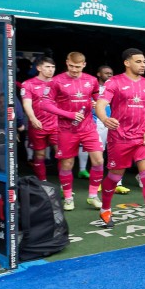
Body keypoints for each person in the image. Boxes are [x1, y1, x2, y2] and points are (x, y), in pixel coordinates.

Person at [94, 49, 145, 233]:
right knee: (114, 177)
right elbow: (100, 104)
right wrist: (104, 119)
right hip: (119, 138)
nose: (143, 65)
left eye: (144, 62)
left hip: (143, 138)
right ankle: (105, 208)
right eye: (138, 61)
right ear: (127, 63)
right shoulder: (114, 82)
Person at [44, 52, 104, 211]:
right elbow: (45, 104)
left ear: (84, 65)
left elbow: (98, 96)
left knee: (98, 160)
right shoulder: (56, 81)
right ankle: (69, 198)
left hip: (88, 127)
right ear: (66, 62)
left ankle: (92, 196)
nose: (74, 70)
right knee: (67, 164)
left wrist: (100, 104)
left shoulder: (91, 80)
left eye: (77, 67)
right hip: (66, 129)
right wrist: (68, 114)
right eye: (71, 66)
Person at [20, 57, 59, 181]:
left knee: (62, 154)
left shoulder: (58, 83)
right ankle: (42, 182)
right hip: (38, 125)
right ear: (38, 68)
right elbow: (26, 103)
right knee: (40, 155)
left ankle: (65, 184)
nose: (50, 70)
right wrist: (32, 118)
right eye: (47, 67)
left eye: (53, 67)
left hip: (57, 124)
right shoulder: (28, 84)